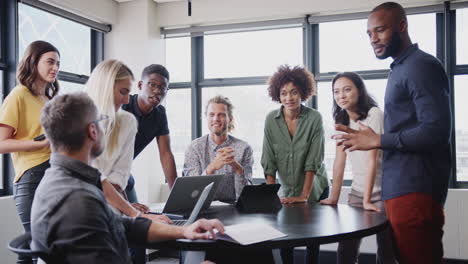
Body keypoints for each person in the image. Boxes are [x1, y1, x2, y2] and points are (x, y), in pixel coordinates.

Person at [31, 92, 224, 263]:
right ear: (92, 131)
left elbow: (120, 226)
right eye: (101, 123)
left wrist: (184, 231)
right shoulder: (79, 200)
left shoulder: (68, 180)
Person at [334, 2, 451, 263]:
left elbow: (435, 131)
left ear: (402, 26)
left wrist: (376, 140)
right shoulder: (400, 68)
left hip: (415, 190)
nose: (373, 38)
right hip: (400, 190)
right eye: (369, 33)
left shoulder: (420, 66)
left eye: (380, 30)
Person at [320, 72, 396, 264]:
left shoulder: (374, 114)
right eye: (336, 92)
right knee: (346, 248)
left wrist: (368, 200)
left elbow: (372, 158)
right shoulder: (341, 118)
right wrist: (334, 197)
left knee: (386, 249)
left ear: (359, 91)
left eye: (347, 90)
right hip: (357, 191)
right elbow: (340, 161)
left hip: (383, 193)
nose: (341, 96)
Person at [84, 59, 168, 221]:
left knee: (134, 227)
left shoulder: (127, 121)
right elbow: (95, 179)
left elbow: (117, 177)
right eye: (123, 92)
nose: (126, 100)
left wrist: (129, 207)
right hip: (79, 199)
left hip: (114, 186)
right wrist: (131, 210)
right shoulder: (79, 118)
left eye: (127, 93)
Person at [261, 65, 329, 263]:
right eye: (283, 93)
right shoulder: (271, 120)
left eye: (293, 92)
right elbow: (269, 160)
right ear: (277, 95)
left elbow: (313, 160)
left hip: (315, 187)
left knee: (312, 241)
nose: (288, 98)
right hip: (287, 190)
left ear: (303, 92)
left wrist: (304, 196)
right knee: (285, 240)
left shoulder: (314, 118)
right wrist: (270, 195)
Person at [0, 40, 60, 264]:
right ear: (33, 62)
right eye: (50, 62)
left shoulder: (51, 99)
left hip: (55, 174)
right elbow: (1, 143)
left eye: (58, 63)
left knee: (53, 245)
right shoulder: (19, 95)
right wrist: (38, 145)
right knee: (32, 249)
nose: (55, 68)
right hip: (31, 177)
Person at [122, 64, 177, 204]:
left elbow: (166, 154)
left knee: (137, 220)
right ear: (140, 85)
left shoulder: (160, 114)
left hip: (124, 174)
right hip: (102, 174)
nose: (157, 91)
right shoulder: (123, 106)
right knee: (127, 216)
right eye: (152, 85)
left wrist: (176, 195)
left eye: (162, 88)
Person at [183, 95, 253, 202]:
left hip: (234, 210)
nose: (216, 119)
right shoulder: (194, 148)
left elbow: (244, 197)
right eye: (211, 115)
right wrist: (211, 168)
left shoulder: (244, 148)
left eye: (221, 115)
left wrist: (238, 168)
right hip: (202, 209)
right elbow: (193, 193)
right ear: (206, 117)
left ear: (230, 118)